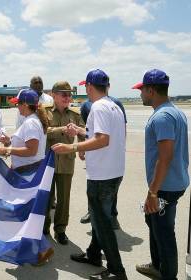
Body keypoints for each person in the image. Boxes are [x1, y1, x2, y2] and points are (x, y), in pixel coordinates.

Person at [52, 69, 127, 280]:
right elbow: (101, 135)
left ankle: (116, 270)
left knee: (102, 222)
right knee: (98, 218)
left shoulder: (99, 107)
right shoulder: (114, 105)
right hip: (114, 171)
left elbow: (102, 139)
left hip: (102, 175)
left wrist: (72, 148)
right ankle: (94, 254)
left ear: (89, 87)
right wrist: (80, 131)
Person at [132, 69, 189, 280]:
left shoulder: (163, 117)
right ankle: (157, 265)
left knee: (164, 234)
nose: (140, 94)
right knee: (152, 221)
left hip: (165, 186)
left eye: (142, 90)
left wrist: (153, 192)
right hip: (173, 181)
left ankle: (168, 275)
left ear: (151, 90)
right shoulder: (174, 111)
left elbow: (164, 157)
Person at [0, 88, 53, 266]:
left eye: (18, 104)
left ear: (26, 105)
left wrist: (8, 149)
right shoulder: (32, 121)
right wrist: (10, 141)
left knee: (23, 212)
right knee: (24, 212)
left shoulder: (31, 123)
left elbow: (32, 150)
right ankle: (34, 246)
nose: (17, 107)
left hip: (29, 173)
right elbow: (27, 143)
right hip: (27, 171)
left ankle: (42, 247)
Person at [43, 81, 85, 245]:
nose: (67, 97)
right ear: (53, 94)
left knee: (64, 199)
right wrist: (61, 129)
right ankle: (44, 227)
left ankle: (60, 230)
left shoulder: (75, 113)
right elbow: (42, 131)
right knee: (46, 196)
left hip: (67, 161)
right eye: (63, 94)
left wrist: (81, 146)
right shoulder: (44, 111)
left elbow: (84, 131)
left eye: (69, 94)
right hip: (48, 161)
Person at [79, 96, 127, 229]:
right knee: (98, 197)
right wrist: (83, 145)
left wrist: (75, 147)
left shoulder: (113, 103)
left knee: (107, 195)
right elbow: (89, 131)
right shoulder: (86, 106)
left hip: (106, 162)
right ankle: (93, 215)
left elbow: (121, 130)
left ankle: (112, 216)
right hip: (96, 159)